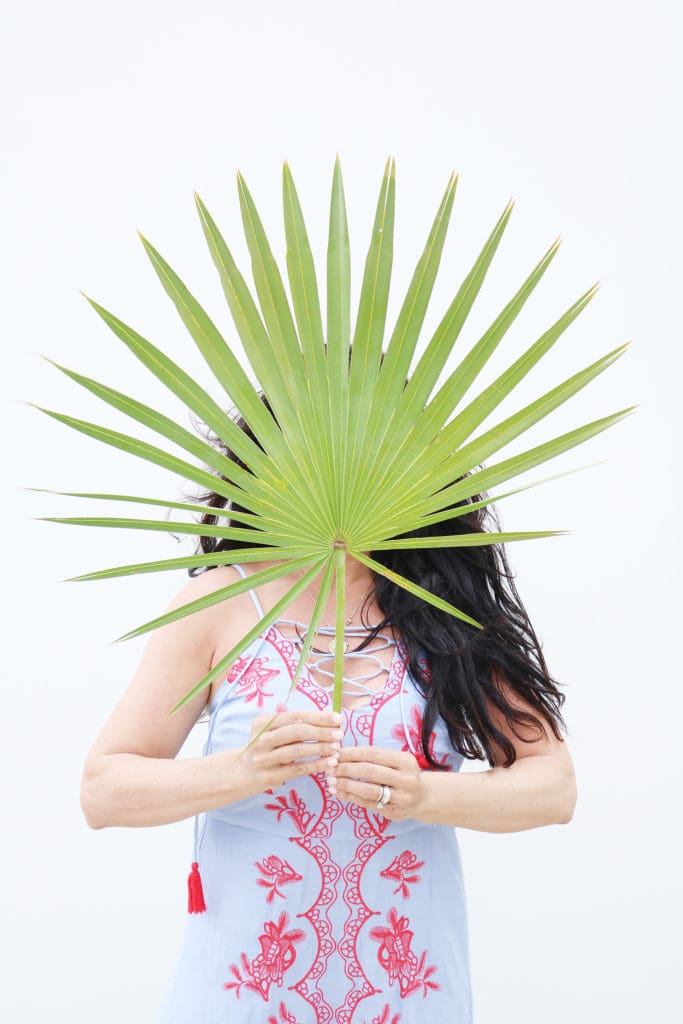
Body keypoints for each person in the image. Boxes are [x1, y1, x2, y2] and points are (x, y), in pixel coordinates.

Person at [79, 394, 577, 1024]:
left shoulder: (443, 603)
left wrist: (423, 797)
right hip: (240, 999)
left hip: (410, 996)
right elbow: (104, 789)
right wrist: (243, 769)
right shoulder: (218, 602)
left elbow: (553, 786)